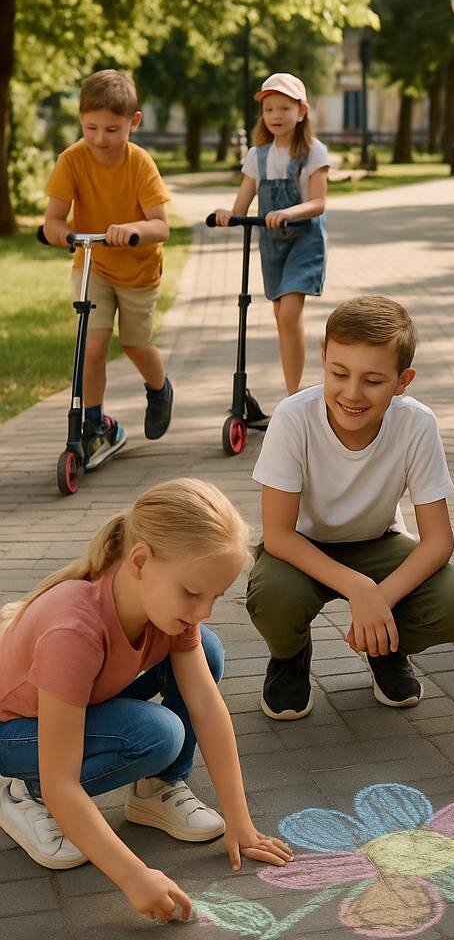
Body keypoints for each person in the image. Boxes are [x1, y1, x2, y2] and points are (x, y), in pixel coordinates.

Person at [0, 479, 292, 924]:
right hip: (14, 731)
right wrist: (134, 876)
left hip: (68, 706)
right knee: (156, 734)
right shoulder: (73, 632)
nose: (203, 610)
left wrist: (241, 821)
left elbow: (208, 708)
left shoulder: (161, 607)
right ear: (140, 561)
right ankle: (22, 792)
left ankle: (157, 788)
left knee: (205, 648)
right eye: (193, 593)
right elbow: (64, 780)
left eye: (215, 596)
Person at [246, 295, 454, 720]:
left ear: (402, 379)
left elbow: (439, 540)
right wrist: (361, 590)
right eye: (339, 373)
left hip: (378, 542)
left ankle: (385, 646)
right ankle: (289, 656)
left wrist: (380, 599)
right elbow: (278, 534)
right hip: (300, 547)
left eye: (373, 380)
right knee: (273, 599)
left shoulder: (417, 423)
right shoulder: (293, 417)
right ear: (323, 360)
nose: (352, 393)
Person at [43, 69, 174, 469]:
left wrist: (133, 229)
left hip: (137, 270)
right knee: (93, 344)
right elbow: (52, 222)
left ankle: (159, 388)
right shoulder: (72, 159)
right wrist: (67, 236)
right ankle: (95, 423)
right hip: (93, 265)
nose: (100, 138)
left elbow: (161, 225)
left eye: (112, 129)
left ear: (134, 122)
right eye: (91, 127)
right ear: (80, 121)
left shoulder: (139, 164)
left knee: (134, 343)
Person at [214, 72, 330, 397]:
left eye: (284, 108)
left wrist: (287, 213)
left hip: (304, 241)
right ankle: (292, 390)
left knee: (290, 312)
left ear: (301, 111)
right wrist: (228, 215)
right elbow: (242, 203)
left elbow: (319, 202)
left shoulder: (313, 153)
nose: (276, 116)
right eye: (269, 110)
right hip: (272, 243)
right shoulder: (258, 155)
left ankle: (293, 393)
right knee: (282, 317)